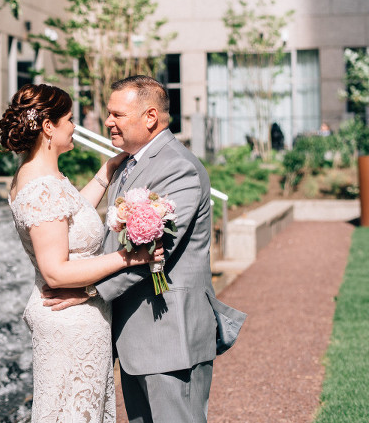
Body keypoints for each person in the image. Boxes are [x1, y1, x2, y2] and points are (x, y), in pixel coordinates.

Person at [43, 75, 246, 423]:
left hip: (170, 336)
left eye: (117, 115)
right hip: (136, 336)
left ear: (150, 117)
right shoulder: (127, 163)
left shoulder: (177, 168)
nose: (108, 121)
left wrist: (88, 290)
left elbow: (153, 254)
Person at [0, 83, 164, 422]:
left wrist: (107, 171)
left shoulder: (43, 176)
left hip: (78, 319)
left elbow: (72, 219)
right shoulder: (41, 186)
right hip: (68, 324)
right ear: (49, 127)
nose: (76, 126)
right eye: (70, 119)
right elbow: (55, 272)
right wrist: (130, 258)